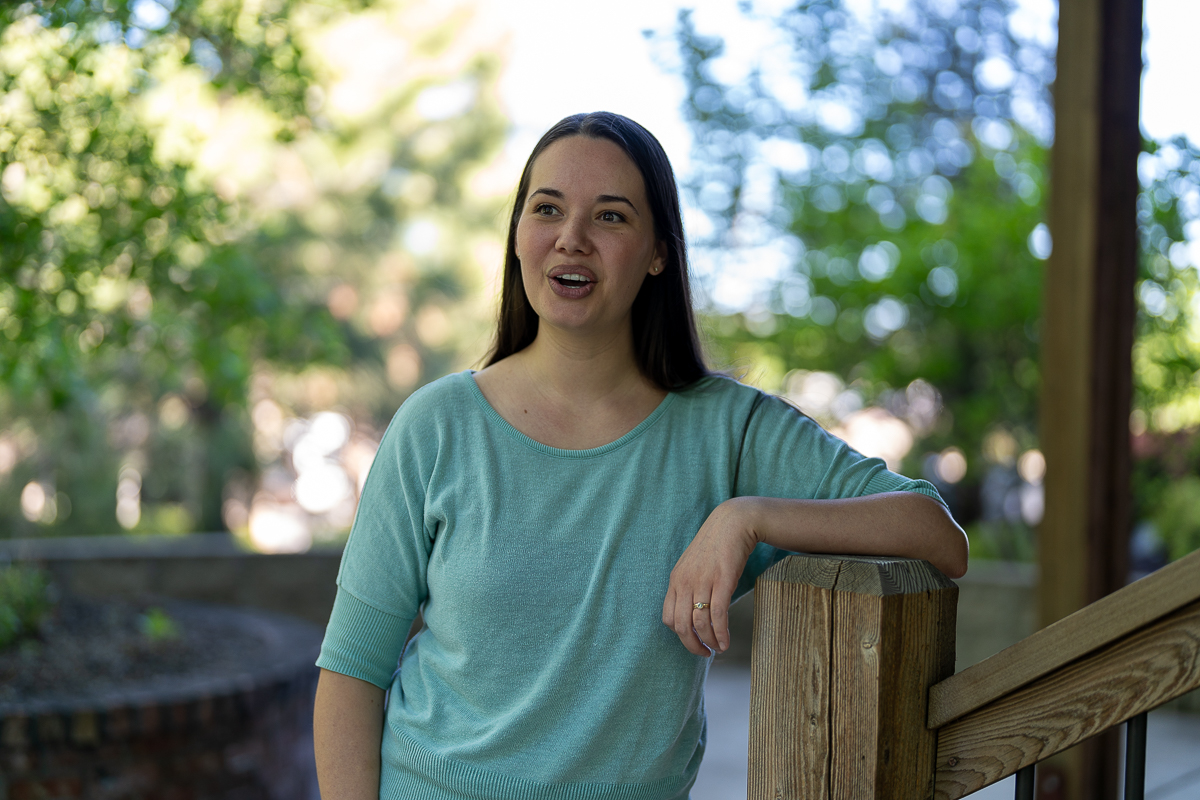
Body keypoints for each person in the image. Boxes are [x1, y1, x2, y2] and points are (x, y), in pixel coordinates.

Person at [312, 111, 967, 800]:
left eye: (611, 217)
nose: (572, 239)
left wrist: (748, 517)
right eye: (548, 209)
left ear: (658, 251)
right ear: (517, 235)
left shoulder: (730, 432)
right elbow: (353, 669)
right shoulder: (437, 427)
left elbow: (936, 535)